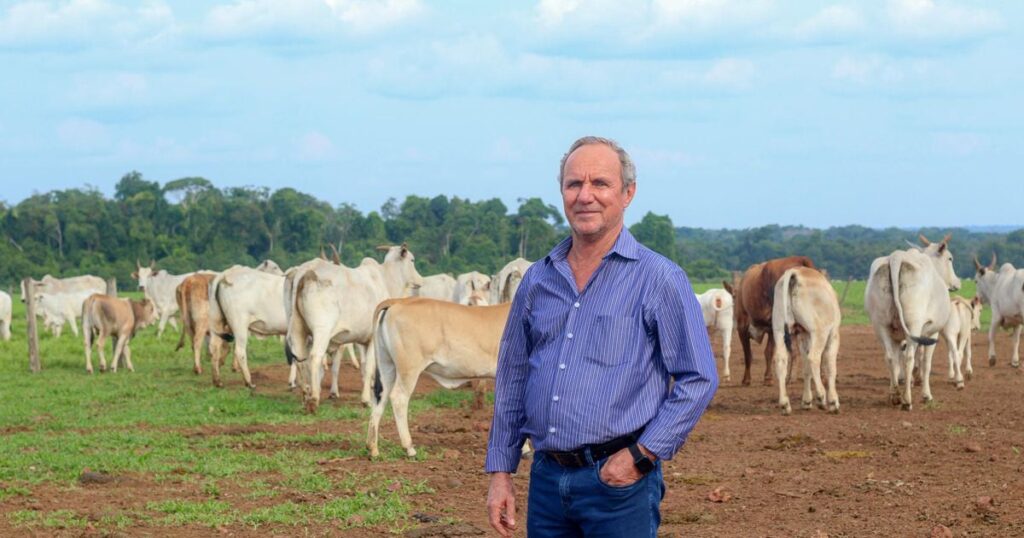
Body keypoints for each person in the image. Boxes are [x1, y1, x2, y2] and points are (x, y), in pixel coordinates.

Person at [484, 136, 719, 537]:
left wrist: (641, 456)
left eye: (600, 184)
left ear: (628, 193)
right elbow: (514, 380)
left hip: (618, 484)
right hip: (546, 480)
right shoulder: (538, 280)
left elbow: (699, 377)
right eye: (574, 184)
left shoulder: (659, 279)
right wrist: (501, 471)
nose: (585, 196)